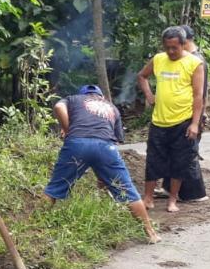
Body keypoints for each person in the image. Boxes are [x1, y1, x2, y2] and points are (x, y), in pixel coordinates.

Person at [43, 85, 160, 243]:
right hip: (106, 147)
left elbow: (58, 106)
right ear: (101, 97)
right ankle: (151, 233)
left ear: (83, 95)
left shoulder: (73, 99)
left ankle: (36, 226)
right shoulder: (112, 108)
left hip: (77, 143)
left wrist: (68, 128)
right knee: (128, 191)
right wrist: (104, 173)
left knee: (54, 189)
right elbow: (114, 140)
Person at [136, 27, 206, 213]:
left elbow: (198, 96)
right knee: (153, 160)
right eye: (167, 47)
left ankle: (172, 200)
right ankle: (148, 198)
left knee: (179, 162)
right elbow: (142, 76)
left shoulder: (194, 63)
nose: (171, 52)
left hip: (183, 121)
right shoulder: (158, 59)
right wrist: (149, 95)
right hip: (159, 121)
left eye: (175, 48)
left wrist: (194, 123)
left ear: (183, 45)